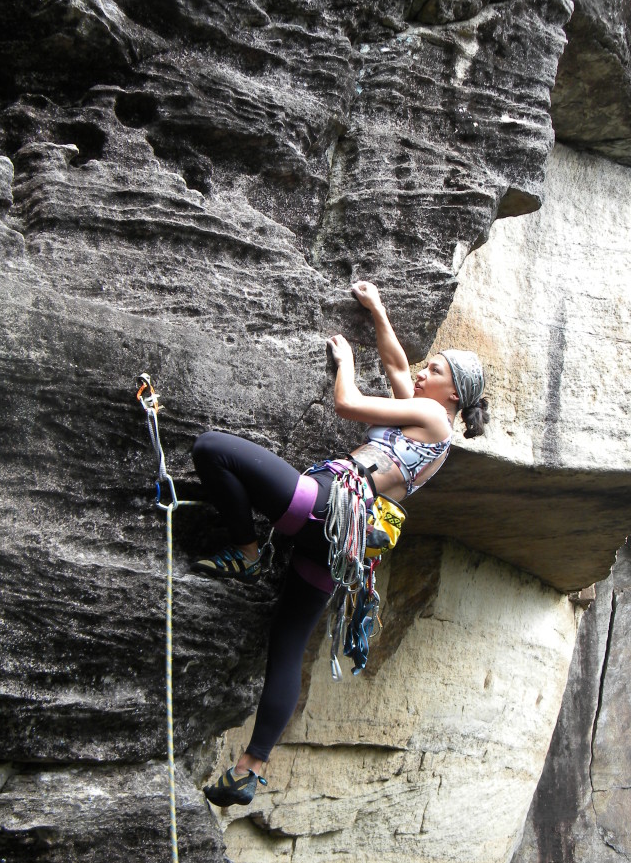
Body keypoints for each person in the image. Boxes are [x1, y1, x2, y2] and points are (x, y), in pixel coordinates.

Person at [192, 281, 489, 807]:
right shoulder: (429, 423)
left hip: (328, 504)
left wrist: (346, 359)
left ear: (455, 396)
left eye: (436, 371)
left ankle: (246, 553)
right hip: (342, 547)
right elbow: (399, 367)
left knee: (212, 448)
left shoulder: (434, 418)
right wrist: (377, 311)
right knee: (286, 649)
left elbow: (348, 403)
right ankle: (250, 767)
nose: (424, 372)